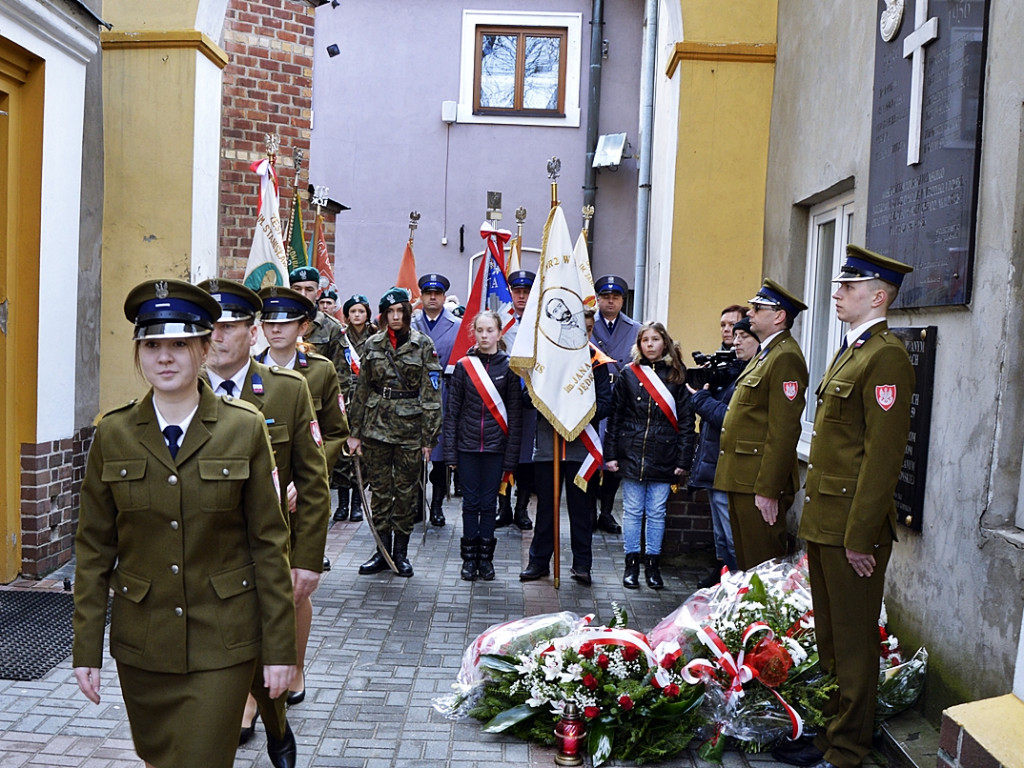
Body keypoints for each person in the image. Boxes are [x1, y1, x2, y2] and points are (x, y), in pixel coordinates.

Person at [72, 279, 296, 768]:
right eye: (152, 345)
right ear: (139, 353)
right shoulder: (113, 434)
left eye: (179, 344)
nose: (165, 357)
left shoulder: (244, 427)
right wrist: (85, 650)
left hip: (223, 639)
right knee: (160, 758)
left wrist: (280, 651)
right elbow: (92, 550)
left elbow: (268, 545)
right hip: (143, 643)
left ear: (203, 347)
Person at [777, 246, 914, 768]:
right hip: (827, 519)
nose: (837, 294)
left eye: (848, 287)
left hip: (852, 528)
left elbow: (882, 458)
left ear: (877, 296)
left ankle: (849, 750)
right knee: (831, 639)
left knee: (856, 646)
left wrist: (861, 535)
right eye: (838, 286)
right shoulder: (853, 350)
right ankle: (830, 735)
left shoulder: (887, 357)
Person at [198, 279, 329, 761]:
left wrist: (309, 561)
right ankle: (240, 708)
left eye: (228, 327)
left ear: (251, 334)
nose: (215, 337)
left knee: (262, 638)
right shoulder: (180, 393)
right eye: (208, 327)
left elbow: (314, 482)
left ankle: (268, 716)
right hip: (208, 550)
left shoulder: (286, 390)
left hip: (273, 543)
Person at [254, 286, 347, 709]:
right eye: (269, 323)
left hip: (298, 496)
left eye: (284, 323)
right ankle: (254, 682)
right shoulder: (249, 371)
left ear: (302, 327)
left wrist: (306, 481)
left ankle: (295, 666)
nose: (275, 330)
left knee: (296, 589)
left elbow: (334, 432)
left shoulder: (321, 371)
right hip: (258, 497)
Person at [347, 287, 443, 578]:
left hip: (410, 430)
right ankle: (382, 551)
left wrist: (430, 438)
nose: (396, 316)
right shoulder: (373, 345)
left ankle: (400, 553)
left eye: (401, 311)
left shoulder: (422, 345)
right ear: (384, 315)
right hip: (375, 429)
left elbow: (431, 394)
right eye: (391, 312)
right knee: (379, 493)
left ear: (407, 313)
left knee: (404, 494)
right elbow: (361, 389)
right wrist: (354, 433)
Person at [715, 279, 808, 571]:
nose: (750, 313)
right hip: (743, 479)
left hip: (758, 483)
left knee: (762, 568)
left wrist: (768, 489)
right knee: (746, 566)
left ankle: (762, 620)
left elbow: (784, 430)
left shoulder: (785, 357)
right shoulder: (767, 354)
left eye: (757, 308)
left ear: (779, 316)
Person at [604, 322, 696, 589]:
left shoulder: (677, 375)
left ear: (664, 343)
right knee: (632, 511)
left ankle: (652, 565)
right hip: (631, 452)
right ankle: (631, 564)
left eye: (656, 339)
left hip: (664, 454)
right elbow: (616, 417)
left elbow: (687, 423)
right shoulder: (628, 375)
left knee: (656, 512)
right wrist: (611, 454)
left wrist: (683, 460)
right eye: (646, 340)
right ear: (639, 344)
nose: (651, 345)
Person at [519, 336, 614, 586]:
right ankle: (538, 562)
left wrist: (576, 405)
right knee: (546, 509)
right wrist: (550, 394)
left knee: (581, 510)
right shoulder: (545, 357)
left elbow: (605, 404)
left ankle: (582, 565)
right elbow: (525, 398)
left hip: (581, 449)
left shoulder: (597, 362)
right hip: (549, 447)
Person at [443, 310, 523, 580]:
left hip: (495, 449)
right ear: (473, 333)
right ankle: (468, 559)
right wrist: (451, 452)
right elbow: (452, 412)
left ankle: (486, 560)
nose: (485, 335)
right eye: (480, 330)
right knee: (469, 504)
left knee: (489, 505)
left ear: (499, 333)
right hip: (467, 448)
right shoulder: (464, 366)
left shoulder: (510, 367)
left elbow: (515, 416)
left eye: (490, 330)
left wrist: (511, 459)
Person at [687, 316, 760, 586]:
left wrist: (700, 398)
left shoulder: (753, 374)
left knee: (732, 537)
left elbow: (731, 419)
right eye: (734, 335)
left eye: (744, 336)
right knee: (721, 537)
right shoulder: (731, 369)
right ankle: (725, 583)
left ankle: (738, 590)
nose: (736, 340)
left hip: (732, 467)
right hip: (715, 463)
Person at [590, 274, 641, 534]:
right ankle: (589, 510)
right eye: (605, 297)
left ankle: (607, 512)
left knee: (613, 457)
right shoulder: (586, 324)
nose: (610, 302)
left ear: (622, 300)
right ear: (598, 299)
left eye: (616, 297)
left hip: (622, 400)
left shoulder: (635, 329)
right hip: (592, 398)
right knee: (589, 453)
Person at [411, 272, 462, 526]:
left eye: (437, 293)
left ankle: (438, 505)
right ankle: (417, 502)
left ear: (443, 297)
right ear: (420, 296)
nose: (432, 297)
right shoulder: (411, 323)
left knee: (440, 455)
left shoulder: (458, 324)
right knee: (415, 453)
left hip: (444, 391)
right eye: (428, 293)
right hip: (414, 393)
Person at [498, 269, 536, 530]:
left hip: (532, 394)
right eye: (517, 291)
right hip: (504, 393)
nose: (521, 296)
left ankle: (522, 509)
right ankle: (504, 509)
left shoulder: (541, 318)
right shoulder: (501, 318)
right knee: (503, 452)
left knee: (526, 455)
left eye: (526, 291)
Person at [334, 294, 377, 523]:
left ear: (367, 314)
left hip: (366, 400)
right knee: (343, 453)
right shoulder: (339, 338)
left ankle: (357, 503)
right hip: (343, 399)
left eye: (361, 311)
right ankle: (342, 503)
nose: (357, 315)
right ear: (347, 315)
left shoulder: (375, 337)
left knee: (363, 452)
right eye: (353, 311)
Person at [289, 266, 352, 398]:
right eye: (297, 289)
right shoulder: (280, 324)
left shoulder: (331, 327)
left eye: (309, 289)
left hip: (318, 404)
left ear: (318, 294)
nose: (302, 294)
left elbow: (341, 378)